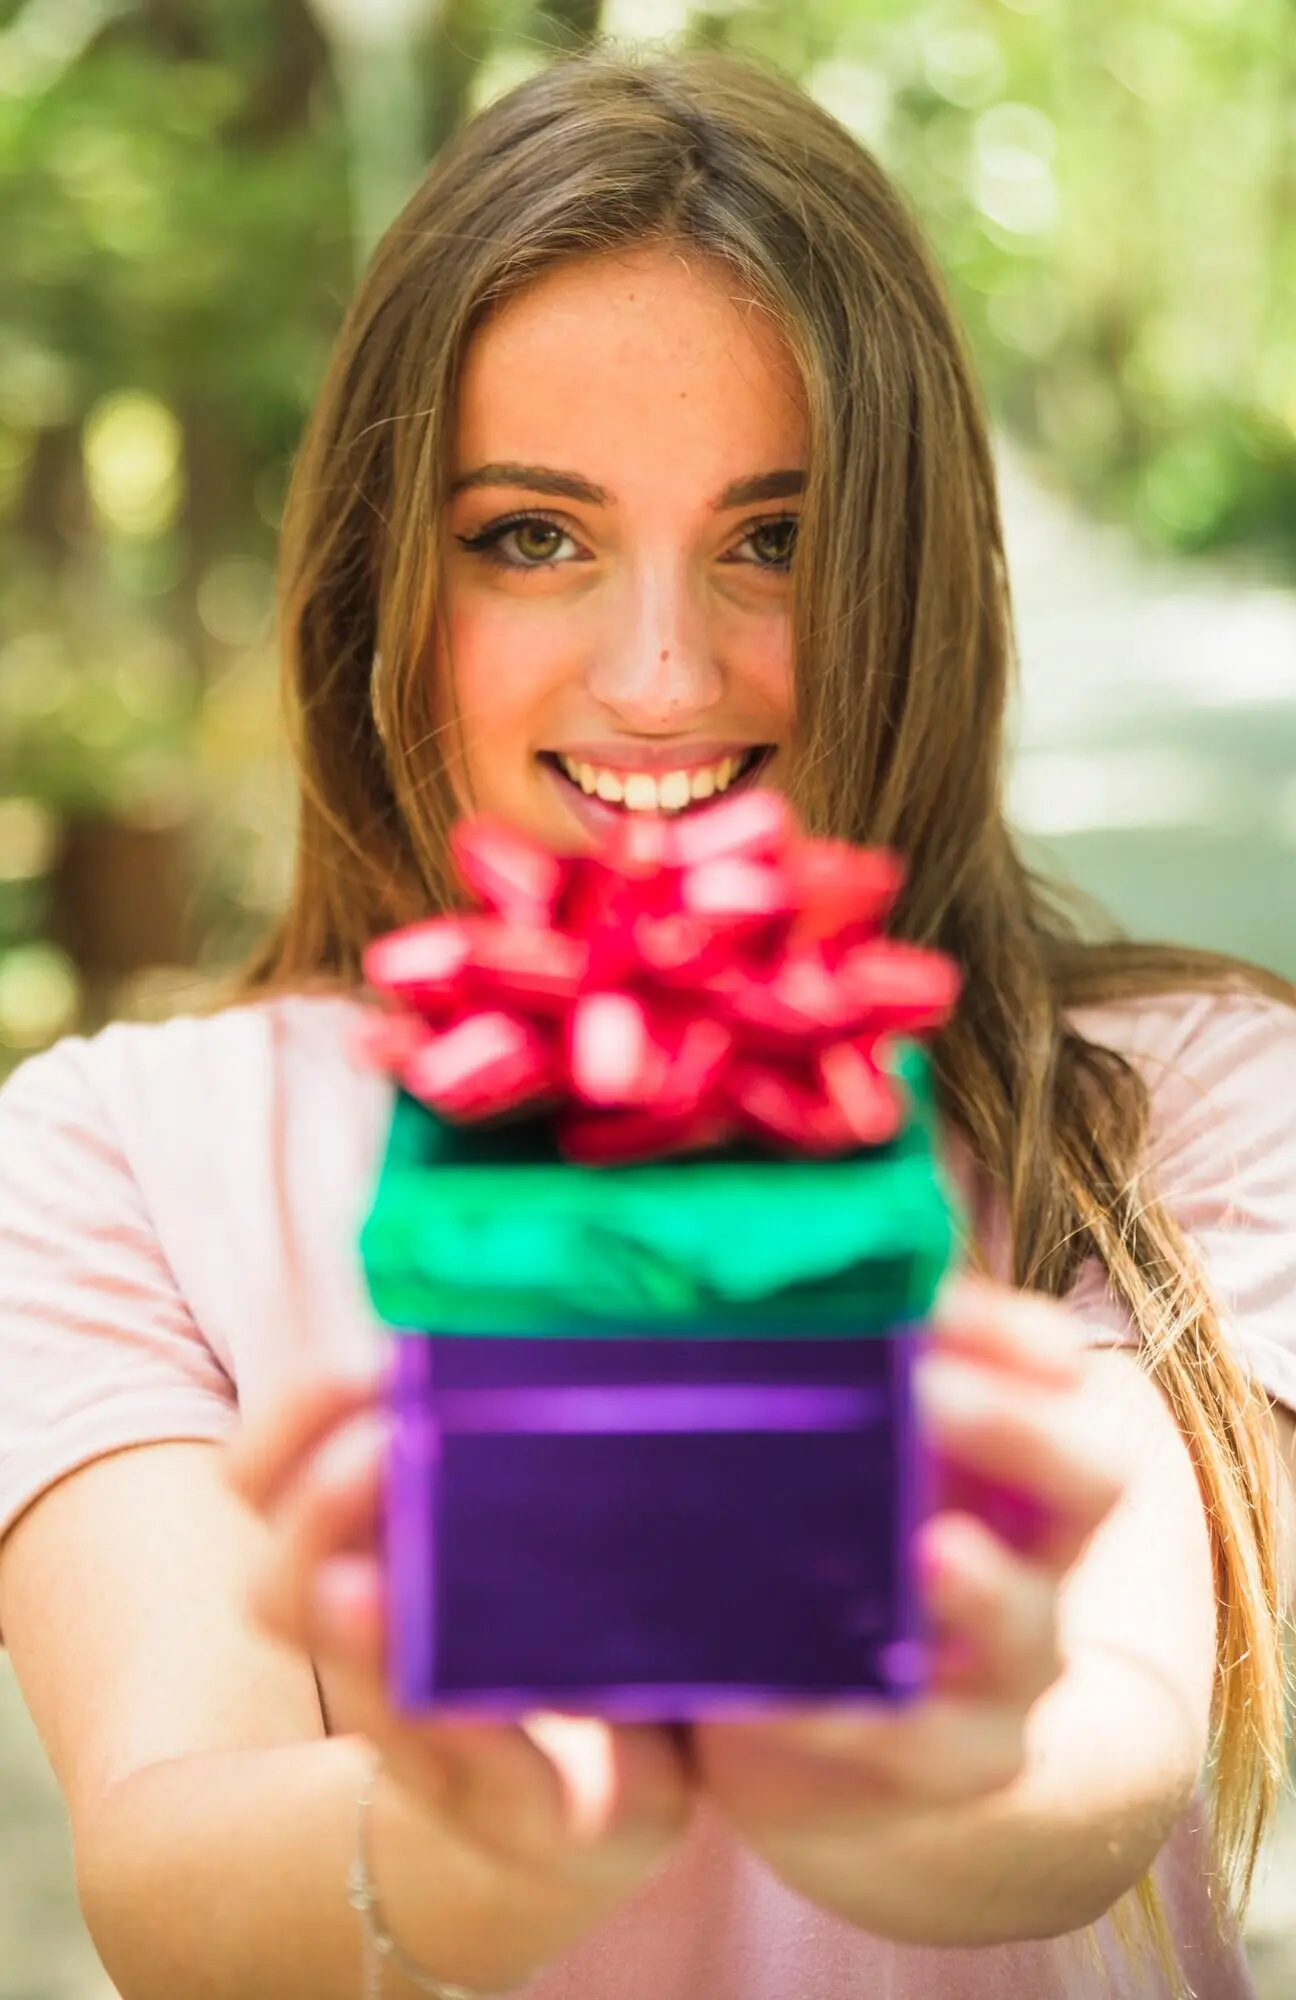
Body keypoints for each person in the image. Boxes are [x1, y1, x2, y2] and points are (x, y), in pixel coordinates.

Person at [0, 45, 1293, 2000]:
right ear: (390, 575)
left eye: (776, 536)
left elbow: (1098, 1759)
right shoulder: (115, 1154)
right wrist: (495, 1818)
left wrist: (854, 1717)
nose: (666, 670)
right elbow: (170, 1872)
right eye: (535, 533)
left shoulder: (1190, 1104)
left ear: (918, 576)